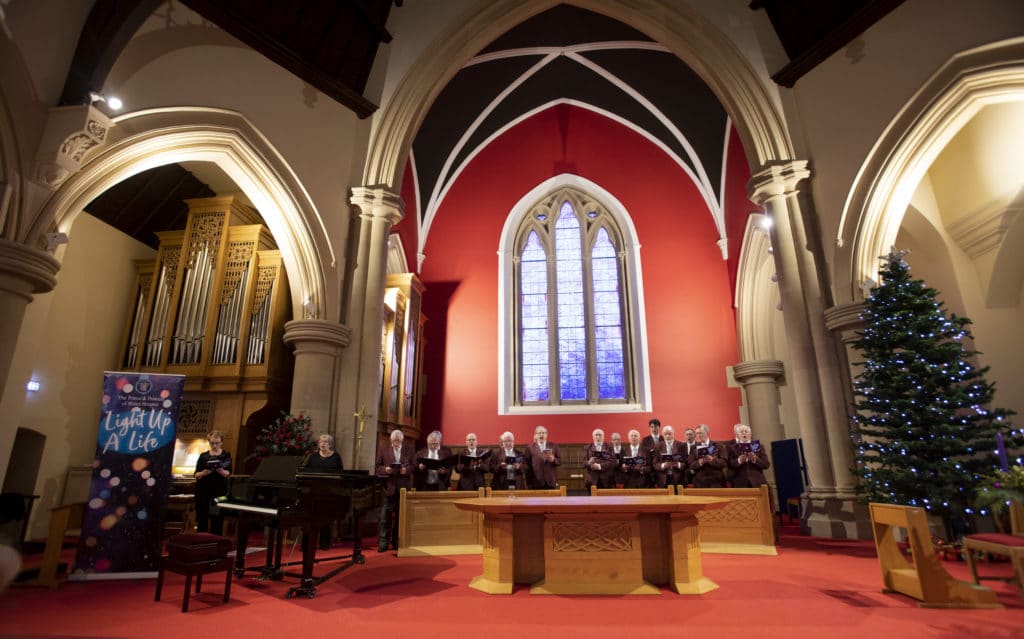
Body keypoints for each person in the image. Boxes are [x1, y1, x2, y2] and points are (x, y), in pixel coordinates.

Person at [375, 429, 415, 552]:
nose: (396, 443)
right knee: (385, 517)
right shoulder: (384, 448)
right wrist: (385, 469)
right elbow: (377, 466)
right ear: (390, 440)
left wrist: (406, 470)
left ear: (402, 440)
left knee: (400, 517)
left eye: (398, 440)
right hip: (389, 487)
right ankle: (383, 543)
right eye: (394, 440)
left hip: (403, 488)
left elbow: (413, 466)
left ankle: (397, 542)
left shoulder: (409, 449)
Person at [302, 433, 343, 549]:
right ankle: (307, 543)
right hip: (313, 492)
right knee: (309, 518)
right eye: (320, 442)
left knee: (326, 518)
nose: (322, 444)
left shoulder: (336, 457)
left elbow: (341, 474)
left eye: (325, 442)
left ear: (330, 444)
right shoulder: (313, 456)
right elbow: (305, 471)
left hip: (329, 492)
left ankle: (324, 543)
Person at [194, 430, 231, 534]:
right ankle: (201, 540)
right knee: (202, 518)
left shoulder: (226, 455)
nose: (214, 445)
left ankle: (216, 540)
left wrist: (219, 470)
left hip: (219, 491)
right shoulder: (203, 456)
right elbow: (196, 474)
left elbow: (228, 473)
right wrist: (205, 472)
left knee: (217, 518)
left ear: (221, 442)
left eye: (217, 443)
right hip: (203, 490)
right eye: (212, 443)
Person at [727, 424, 771, 488]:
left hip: (758, 482)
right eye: (741, 432)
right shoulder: (732, 448)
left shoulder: (759, 446)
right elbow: (729, 465)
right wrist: (739, 461)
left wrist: (755, 459)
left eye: (746, 431)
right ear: (737, 435)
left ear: (750, 434)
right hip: (740, 483)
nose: (744, 433)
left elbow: (766, 464)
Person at [688, 424, 728, 488]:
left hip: (717, 481)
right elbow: (690, 464)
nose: (698, 435)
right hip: (700, 482)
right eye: (697, 433)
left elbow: (724, 462)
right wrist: (700, 462)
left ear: (707, 433)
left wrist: (712, 460)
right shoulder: (693, 448)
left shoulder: (719, 445)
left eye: (700, 433)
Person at [653, 425, 686, 489]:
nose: (667, 436)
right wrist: (663, 465)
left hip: (678, 478)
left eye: (669, 434)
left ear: (673, 433)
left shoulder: (682, 445)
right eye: (665, 434)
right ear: (663, 435)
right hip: (663, 479)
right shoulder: (657, 446)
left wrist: (678, 464)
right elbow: (655, 464)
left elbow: (686, 463)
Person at [640, 418, 663, 487]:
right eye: (652, 427)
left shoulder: (663, 438)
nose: (654, 429)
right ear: (649, 428)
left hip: (660, 464)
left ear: (659, 427)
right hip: (649, 465)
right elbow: (643, 452)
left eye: (655, 427)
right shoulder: (645, 439)